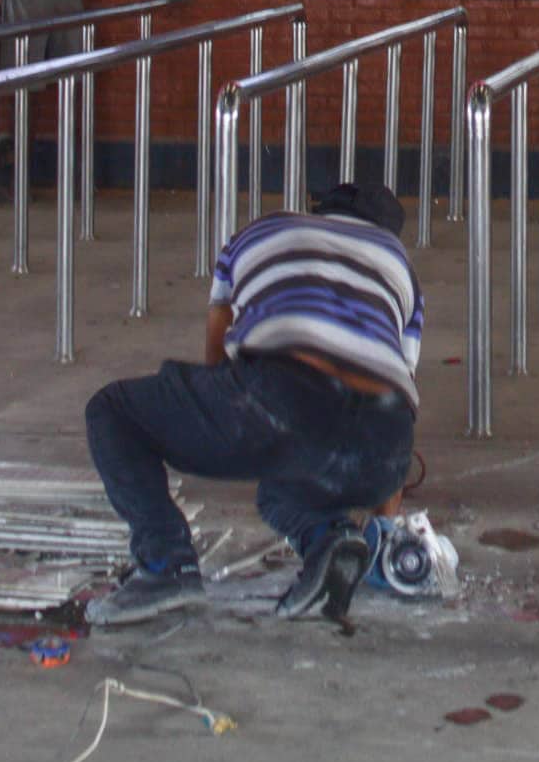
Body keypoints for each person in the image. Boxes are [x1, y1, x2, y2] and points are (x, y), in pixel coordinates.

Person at [85, 178, 422, 628]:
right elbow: (396, 387)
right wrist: (386, 525)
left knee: (113, 411)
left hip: (283, 395)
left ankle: (166, 566)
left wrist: (218, 413)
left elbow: (218, 335)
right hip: (386, 449)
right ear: (386, 232)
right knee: (280, 493)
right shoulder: (401, 271)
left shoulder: (267, 229)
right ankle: (330, 539)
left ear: (319, 211)